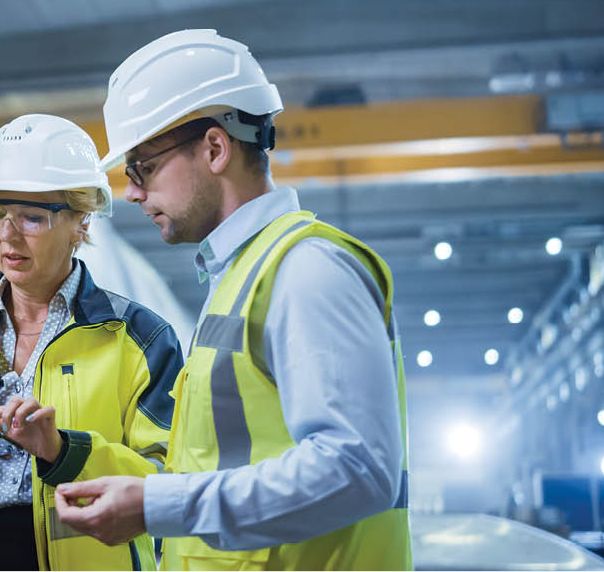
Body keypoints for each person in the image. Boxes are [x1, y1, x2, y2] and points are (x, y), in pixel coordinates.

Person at [53, 31, 411, 570]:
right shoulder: (241, 277)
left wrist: (158, 506)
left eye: (143, 167)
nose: (131, 192)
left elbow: (357, 469)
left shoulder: (305, 270)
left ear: (216, 149)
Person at [0, 114, 183, 570]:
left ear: (81, 221)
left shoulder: (139, 338)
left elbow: (168, 484)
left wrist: (64, 450)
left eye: (32, 218)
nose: (7, 235)